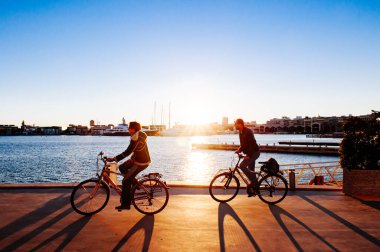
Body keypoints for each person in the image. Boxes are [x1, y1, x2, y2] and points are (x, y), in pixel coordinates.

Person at [107, 121, 151, 210]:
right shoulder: (140, 135)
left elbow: (127, 152)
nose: (128, 130)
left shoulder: (136, 139)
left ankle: (126, 204)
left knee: (125, 182)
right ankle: (135, 184)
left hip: (140, 163)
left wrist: (114, 159)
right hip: (136, 159)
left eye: (129, 128)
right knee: (122, 167)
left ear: (133, 129)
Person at [234, 118, 260, 197]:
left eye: (236, 124)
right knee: (251, 171)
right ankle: (255, 189)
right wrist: (239, 150)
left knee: (242, 166)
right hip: (250, 153)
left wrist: (248, 155)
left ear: (240, 124)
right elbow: (243, 144)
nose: (235, 125)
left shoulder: (248, 131)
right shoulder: (240, 132)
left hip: (254, 153)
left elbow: (252, 145)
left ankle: (255, 183)